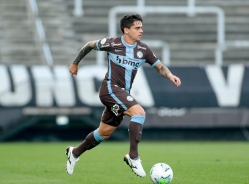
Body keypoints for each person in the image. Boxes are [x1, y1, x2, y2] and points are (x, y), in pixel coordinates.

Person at [66, 14, 181, 177]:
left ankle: (75, 152)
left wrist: (170, 76)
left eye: (141, 27)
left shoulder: (144, 49)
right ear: (126, 30)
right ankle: (133, 156)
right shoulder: (112, 43)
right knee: (139, 113)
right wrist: (75, 63)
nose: (141, 31)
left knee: (104, 133)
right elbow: (90, 45)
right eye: (137, 28)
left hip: (121, 94)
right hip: (110, 89)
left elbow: (160, 66)